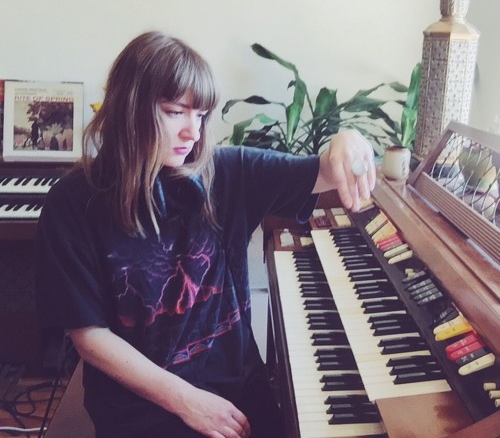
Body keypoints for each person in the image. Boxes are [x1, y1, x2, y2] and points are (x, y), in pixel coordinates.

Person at [35, 31, 376, 438]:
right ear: (129, 107)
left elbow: (322, 171)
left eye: (200, 116)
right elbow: (89, 336)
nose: (193, 133)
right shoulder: (72, 202)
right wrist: (188, 401)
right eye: (175, 112)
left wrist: (347, 140)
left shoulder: (228, 172)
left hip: (238, 391)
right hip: (141, 409)